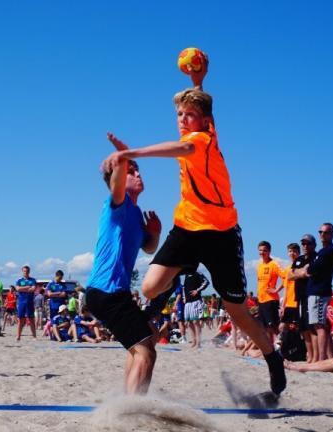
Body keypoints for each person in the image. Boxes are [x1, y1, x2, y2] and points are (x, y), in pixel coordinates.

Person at [102, 74, 286, 394]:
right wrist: (197, 82)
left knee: (238, 313)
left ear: (204, 121)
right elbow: (200, 109)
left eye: (189, 115)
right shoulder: (198, 125)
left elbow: (183, 144)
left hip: (221, 235)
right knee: (149, 286)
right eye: (179, 114)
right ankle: (179, 279)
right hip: (187, 226)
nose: (183, 119)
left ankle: (273, 359)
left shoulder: (201, 140)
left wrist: (133, 154)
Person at [86, 142, 161, 394]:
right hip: (106, 291)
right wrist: (123, 156)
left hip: (115, 293)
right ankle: (130, 409)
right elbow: (116, 183)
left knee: (146, 341)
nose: (138, 175)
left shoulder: (136, 213)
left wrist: (155, 234)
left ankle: (126, 401)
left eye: (138, 171)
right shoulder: (116, 203)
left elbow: (148, 248)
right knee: (145, 352)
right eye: (132, 171)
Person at [304, 223, 333, 361]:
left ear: (332, 234)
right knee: (319, 325)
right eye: (321, 232)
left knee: (319, 326)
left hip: (320, 292)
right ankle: (326, 357)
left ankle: (322, 358)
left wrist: (307, 269)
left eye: (326, 232)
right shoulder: (324, 251)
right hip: (317, 291)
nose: (322, 235)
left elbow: (311, 269)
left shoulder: (328, 251)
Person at [256, 241, 283, 344]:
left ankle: (280, 348)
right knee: (265, 328)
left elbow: (285, 278)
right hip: (261, 300)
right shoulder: (259, 265)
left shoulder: (274, 264)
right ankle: (270, 349)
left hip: (271, 300)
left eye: (265, 250)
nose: (262, 252)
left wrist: (276, 290)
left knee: (273, 327)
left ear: (269, 251)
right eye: (260, 250)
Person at [183, 270, 209, 348]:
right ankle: (194, 341)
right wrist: (184, 297)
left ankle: (198, 342)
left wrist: (197, 290)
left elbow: (206, 282)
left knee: (195, 322)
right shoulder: (186, 274)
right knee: (189, 323)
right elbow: (184, 287)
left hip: (196, 301)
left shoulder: (197, 272)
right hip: (187, 302)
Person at [279, 243, 301, 328]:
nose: (292, 253)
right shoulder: (287, 269)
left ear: (299, 253)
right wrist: (283, 306)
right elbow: (286, 289)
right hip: (288, 304)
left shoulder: (301, 267)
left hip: (298, 303)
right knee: (282, 327)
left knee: (298, 328)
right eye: (290, 251)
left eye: (294, 251)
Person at [14, 266, 37, 341]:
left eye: (27, 271)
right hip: (21, 302)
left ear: (29, 271)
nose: (25, 272)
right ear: (22, 271)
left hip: (30, 302)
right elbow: (17, 289)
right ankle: (18, 336)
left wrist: (22, 289)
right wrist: (27, 287)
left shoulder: (32, 280)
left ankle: (34, 336)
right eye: (24, 271)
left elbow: (33, 289)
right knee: (21, 319)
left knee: (31, 319)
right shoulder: (19, 280)